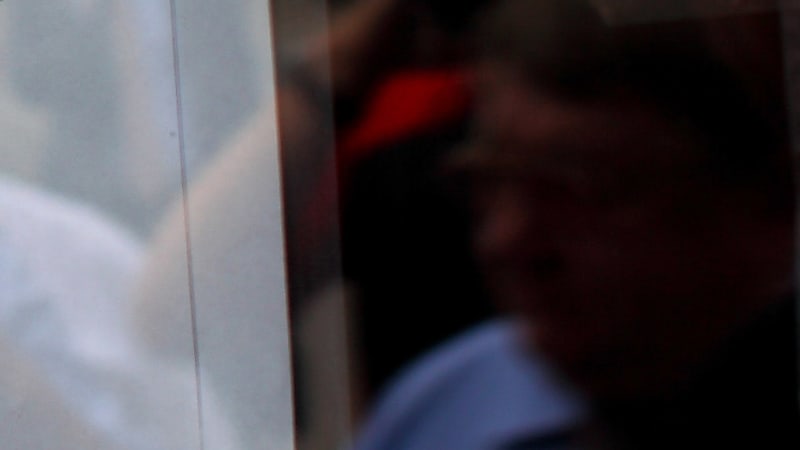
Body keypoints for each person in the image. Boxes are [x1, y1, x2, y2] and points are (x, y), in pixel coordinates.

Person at [354, 1, 799, 448]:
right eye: (490, 182)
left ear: (770, 201)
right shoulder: (443, 411)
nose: (506, 241)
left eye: (584, 188)